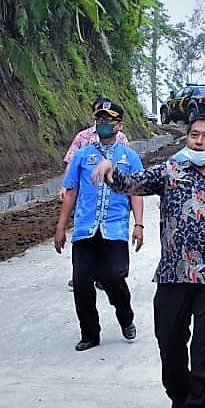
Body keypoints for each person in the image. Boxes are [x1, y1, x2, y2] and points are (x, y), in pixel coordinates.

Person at [91, 112, 205, 408]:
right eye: (194, 135)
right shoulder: (171, 172)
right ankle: (179, 397)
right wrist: (111, 172)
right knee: (169, 339)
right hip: (173, 272)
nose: (198, 141)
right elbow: (133, 182)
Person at [54, 102, 144, 351]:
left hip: (114, 229)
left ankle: (125, 315)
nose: (103, 124)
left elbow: (136, 192)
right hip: (85, 228)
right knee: (82, 283)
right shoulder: (83, 154)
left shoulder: (129, 157)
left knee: (113, 276)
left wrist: (138, 224)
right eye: (100, 119)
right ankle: (90, 334)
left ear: (119, 125)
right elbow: (71, 192)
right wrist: (61, 227)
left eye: (109, 120)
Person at [59, 97, 130, 202]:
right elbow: (71, 161)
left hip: (113, 196)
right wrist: (65, 185)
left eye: (107, 118)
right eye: (99, 116)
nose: (102, 121)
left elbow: (128, 165)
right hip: (86, 192)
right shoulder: (82, 136)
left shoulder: (121, 138)